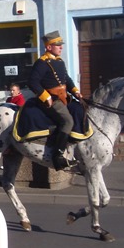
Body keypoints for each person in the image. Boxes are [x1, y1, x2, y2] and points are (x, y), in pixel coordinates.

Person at [28, 31, 83, 171]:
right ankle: (57, 156)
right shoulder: (42, 63)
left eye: (60, 45)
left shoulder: (59, 61)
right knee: (68, 121)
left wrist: (75, 91)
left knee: (80, 111)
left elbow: (66, 79)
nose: (61, 47)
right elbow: (33, 82)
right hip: (51, 99)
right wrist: (45, 97)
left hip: (64, 97)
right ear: (49, 47)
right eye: (58, 45)